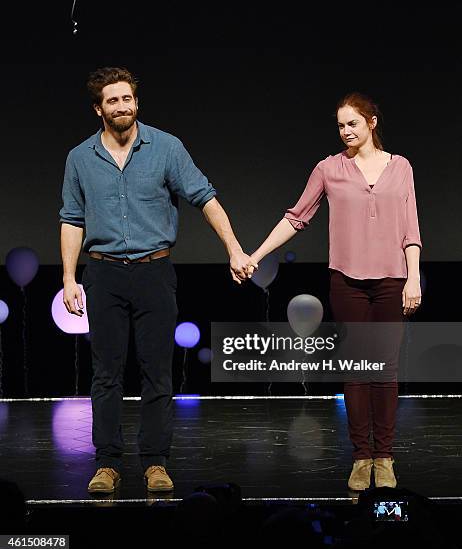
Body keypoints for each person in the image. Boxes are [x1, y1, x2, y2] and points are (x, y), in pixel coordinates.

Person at [59, 67, 256, 494]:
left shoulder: (166, 148)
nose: (122, 106)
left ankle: (155, 463)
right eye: (113, 100)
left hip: (154, 271)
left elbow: (206, 197)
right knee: (106, 374)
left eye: (127, 98)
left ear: (136, 103)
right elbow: (71, 219)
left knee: (157, 373)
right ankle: (107, 464)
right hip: (104, 272)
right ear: (99, 109)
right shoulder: (80, 158)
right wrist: (69, 277)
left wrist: (235, 248)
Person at [246, 92, 422, 492]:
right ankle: (362, 457)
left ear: (372, 122)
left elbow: (411, 228)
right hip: (347, 281)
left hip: (392, 280)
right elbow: (297, 218)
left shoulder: (401, 168)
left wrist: (413, 277)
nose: (345, 131)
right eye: (341, 125)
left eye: (353, 123)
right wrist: (256, 254)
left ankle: (385, 456)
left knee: (386, 369)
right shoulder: (329, 169)